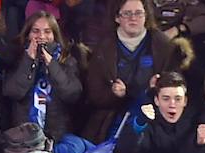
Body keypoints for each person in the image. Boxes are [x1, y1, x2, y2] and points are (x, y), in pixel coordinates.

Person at [81, 0, 191, 143]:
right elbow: (95, 95)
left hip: (154, 116)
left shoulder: (163, 45)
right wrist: (113, 94)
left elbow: (176, 84)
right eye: (127, 14)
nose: (133, 18)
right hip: (112, 118)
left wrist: (158, 87)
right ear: (117, 17)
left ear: (146, 16)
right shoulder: (103, 48)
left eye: (138, 13)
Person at [114, 71, 205, 153]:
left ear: (185, 101)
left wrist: (200, 143)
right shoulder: (147, 120)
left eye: (178, 99)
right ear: (157, 100)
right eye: (166, 98)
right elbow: (125, 150)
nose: (172, 104)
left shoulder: (195, 123)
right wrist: (140, 124)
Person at [3, 11, 83, 142]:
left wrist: (50, 63)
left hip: (58, 135)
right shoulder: (17, 57)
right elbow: (13, 92)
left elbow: (72, 94)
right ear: (28, 34)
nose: (41, 36)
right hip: (24, 136)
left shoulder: (66, 60)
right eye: (35, 31)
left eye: (47, 31)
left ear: (54, 35)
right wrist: (28, 60)